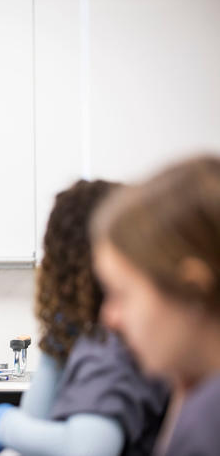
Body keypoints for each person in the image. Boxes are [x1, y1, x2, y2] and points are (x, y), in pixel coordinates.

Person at [0, 180, 167, 455]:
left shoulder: (109, 344)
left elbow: (89, 449)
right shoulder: (95, 336)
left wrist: (3, 426)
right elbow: (35, 420)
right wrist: (55, 349)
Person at [92, 155, 220, 456]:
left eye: (121, 294)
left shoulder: (207, 422)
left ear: (192, 292)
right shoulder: (197, 396)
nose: (109, 318)